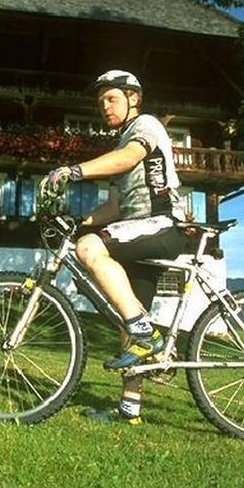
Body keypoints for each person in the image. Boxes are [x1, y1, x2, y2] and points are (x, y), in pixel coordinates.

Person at [41, 69, 195, 425]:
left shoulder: (146, 127)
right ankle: (129, 410)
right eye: (100, 102)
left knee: (89, 250)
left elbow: (129, 158)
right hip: (138, 229)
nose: (104, 107)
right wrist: (78, 222)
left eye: (111, 99)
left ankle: (144, 330)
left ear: (133, 98)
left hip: (160, 225)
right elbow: (112, 209)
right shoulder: (120, 144)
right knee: (131, 319)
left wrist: (72, 171)